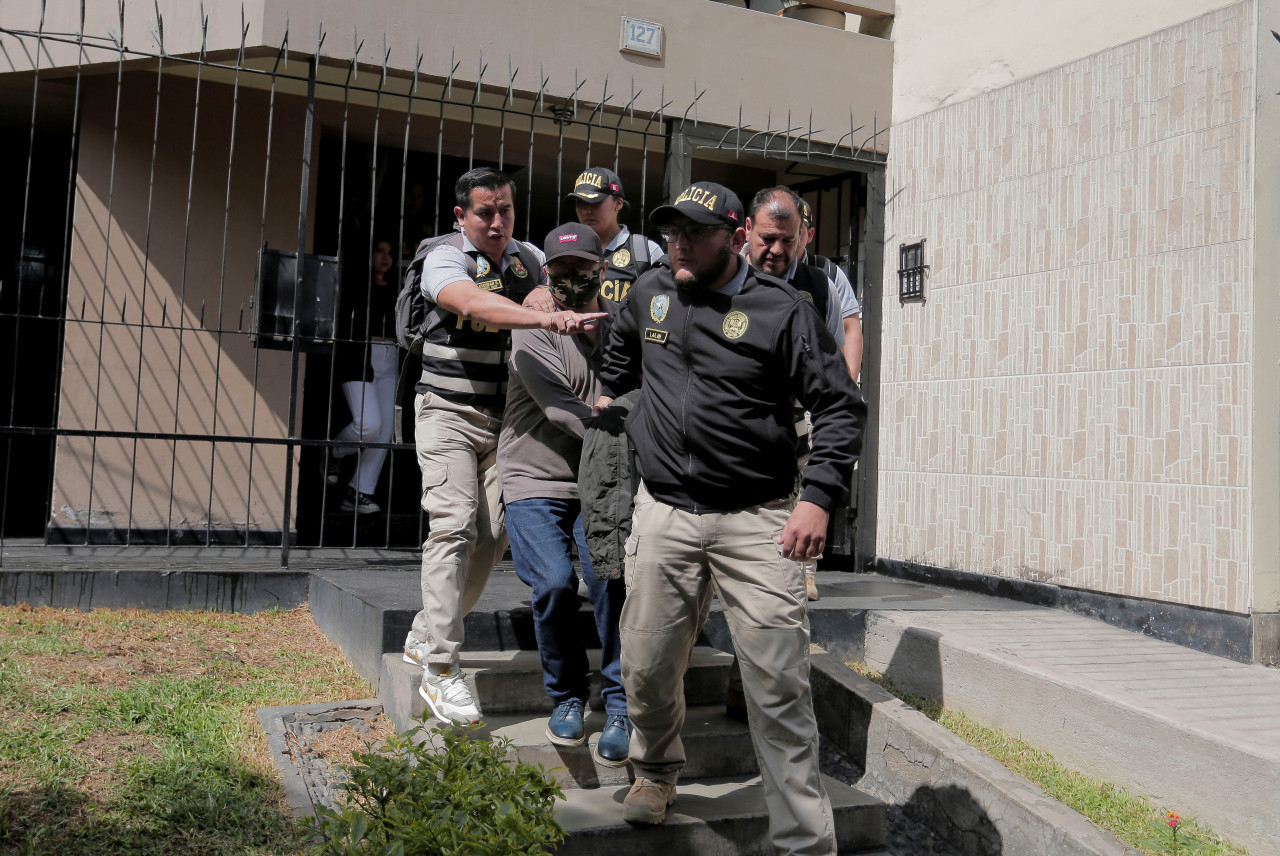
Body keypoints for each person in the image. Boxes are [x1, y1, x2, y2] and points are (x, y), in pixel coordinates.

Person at [595, 181, 866, 855]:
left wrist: (817, 497)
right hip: (665, 513)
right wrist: (631, 420)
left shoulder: (782, 311)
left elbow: (839, 408)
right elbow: (619, 363)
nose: (679, 241)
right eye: (672, 230)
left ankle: (805, 841)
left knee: (777, 686)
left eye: (695, 231)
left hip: (758, 519)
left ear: (735, 233)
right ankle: (654, 773)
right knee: (648, 667)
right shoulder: (651, 291)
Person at [400, 167, 606, 725]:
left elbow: (550, 286)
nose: (497, 223)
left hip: (503, 427)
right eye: (485, 213)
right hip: (447, 412)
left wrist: (545, 292)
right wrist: (547, 317)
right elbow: (470, 303)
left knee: (491, 539)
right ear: (460, 216)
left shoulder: (528, 258)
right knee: (453, 523)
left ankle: (425, 631)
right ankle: (441, 671)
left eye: (506, 211)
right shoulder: (444, 257)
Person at [499, 222, 630, 766]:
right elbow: (560, 408)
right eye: (561, 270)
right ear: (547, 270)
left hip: (596, 480)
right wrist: (627, 422)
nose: (570, 280)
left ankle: (620, 704)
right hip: (533, 476)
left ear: (602, 269)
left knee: (610, 577)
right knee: (554, 583)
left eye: (583, 269)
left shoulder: (619, 328)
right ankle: (568, 699)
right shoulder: (533, 324)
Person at [745, 187, 849, 602]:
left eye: (787, 241)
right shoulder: (724, 276)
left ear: (804, 237)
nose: (776, 250)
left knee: (801, 491)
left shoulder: (821, 287)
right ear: (747, 231)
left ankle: (801, 573)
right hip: (741, 408)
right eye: (768, 239)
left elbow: (834, 355)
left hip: (797, 409)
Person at [323, 238, 399, 514]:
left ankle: (358, 492)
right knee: (368, 425)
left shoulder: (396, 290)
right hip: (359, 356)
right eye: (380, 251)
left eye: (389, 252)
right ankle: (335, 450)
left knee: (385, 433)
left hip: (389, 357)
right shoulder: (356, 287)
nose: (385, 257)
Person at [567, 167, 663, 304]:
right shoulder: (567, 250)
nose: (586, 210)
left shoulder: (645, 252)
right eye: (580, 202)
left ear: (618, 204)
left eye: (595, 202)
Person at [798, 198, 864, 380]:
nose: (792, 237)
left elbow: (850, 327)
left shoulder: (828, 273)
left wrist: (847, 387)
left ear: (809, 235)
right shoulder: (754, 265)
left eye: (798, 230)